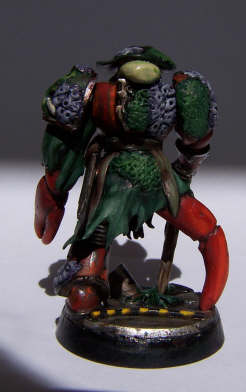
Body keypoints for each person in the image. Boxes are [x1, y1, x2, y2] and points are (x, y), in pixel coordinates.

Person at [35, 46, 229, 312]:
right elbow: (65, 144)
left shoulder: (167, 95)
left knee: (208, 231)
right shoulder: (100, 96)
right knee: (88, 270)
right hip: (118, 179)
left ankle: (205, 301)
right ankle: (91, 280)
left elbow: (196, 137)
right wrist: (55, 190)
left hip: (153, 177)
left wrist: (187, 165)